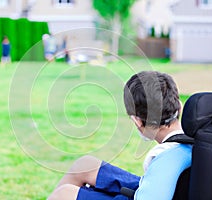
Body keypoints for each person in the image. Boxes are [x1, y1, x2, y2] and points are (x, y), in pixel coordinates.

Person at [48, 71, 192, 200]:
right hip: (161, 189)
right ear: (179, 106)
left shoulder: (163, 159)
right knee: (85, 165)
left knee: (64, 194)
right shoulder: (195, 138)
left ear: (137, 121)